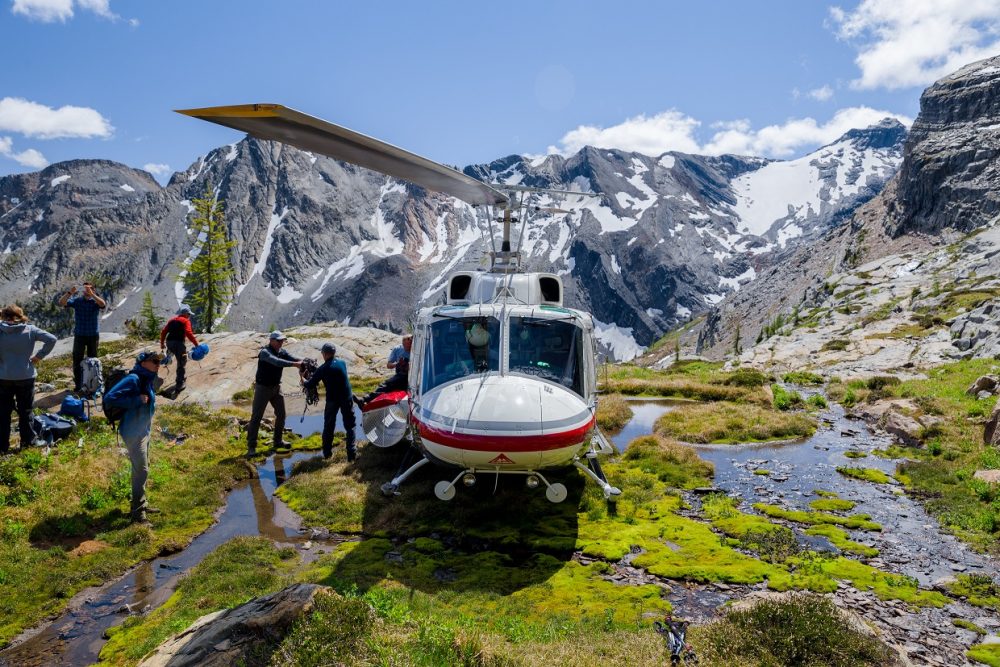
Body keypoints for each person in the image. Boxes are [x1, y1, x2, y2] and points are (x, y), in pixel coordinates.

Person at [104, 351, 163, 524]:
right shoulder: (134, 379)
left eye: (159, 361)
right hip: (132, 432)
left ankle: (141, 504)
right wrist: (136, 400)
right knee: (142, 470)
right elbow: (110, 398)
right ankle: (138, 514)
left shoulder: (147, 379)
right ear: (143, 362)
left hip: (143, 429)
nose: (158, 364)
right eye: (154, 361)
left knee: (141, 469)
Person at [0, 305, 56, 454]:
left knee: (3, 412)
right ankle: (28, 441)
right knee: (26, 411)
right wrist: (39, 356)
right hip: (26, 375)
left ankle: (2, 446)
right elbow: (52, 339)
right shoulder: (30, 329)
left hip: (3, 376)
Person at [245, 331, 302, 456]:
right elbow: (276, 362)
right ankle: (251, 447)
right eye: (278, 340)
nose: (281, 343)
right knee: (256, 417)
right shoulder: (265, 353)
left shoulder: (282, 351)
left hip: (276, 388)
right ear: (271, 340)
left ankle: (278, 441)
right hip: (262, 388)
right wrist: (295, 364)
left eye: (282, 341)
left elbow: (292, 358)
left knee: (281, 414)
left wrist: (302, 361)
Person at [304, 343, 356, 461]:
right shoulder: (342, 363)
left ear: (325, 354)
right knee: (350, 425)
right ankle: (352, 455)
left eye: (322, 353)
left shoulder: (323, 369)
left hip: (332, 400)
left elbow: (309, 384)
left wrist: (302, 378)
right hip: (346, 398)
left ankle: (327, 454)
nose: (322, 355)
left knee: (329, 426)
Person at [58, 281, 107, 393]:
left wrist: (92, 295)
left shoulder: (95, 302)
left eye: (89, 289)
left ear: (93, 290)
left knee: (93, 360)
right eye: (85, 289)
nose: (86, 291)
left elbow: (102, 304)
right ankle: (79, 385)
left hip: (93, 335)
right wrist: (70, 292)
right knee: (77, 360)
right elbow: (62, 302)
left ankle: (92, 385)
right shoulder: (77, 301)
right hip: (80, 335)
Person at [355, 334, 411, 407]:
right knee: (386, 386)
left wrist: (408, 366)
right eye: (404, 345)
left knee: (388, 384)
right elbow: (388, 365)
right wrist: (397, 364)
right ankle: (366, 401)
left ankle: (366, 399)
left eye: (408, 345)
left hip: (410, 377)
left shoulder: (418, 351)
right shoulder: (397, 349)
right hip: (399, 376)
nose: (406, 348)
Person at [159, 306, 198, 395]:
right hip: (179, 344)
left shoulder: (172, 320)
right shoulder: (185, 321)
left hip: (169, 342)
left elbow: (163, 332)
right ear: (184, 314)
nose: (189, 316)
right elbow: (188, 332)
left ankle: (169, 356)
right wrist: (196, 344)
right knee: (181, 362)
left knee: (173, 353)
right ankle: (180, 384)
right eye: (188, 314)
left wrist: (162, 343)